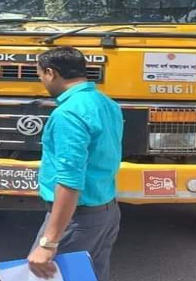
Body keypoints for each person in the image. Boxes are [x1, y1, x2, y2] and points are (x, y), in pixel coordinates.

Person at [28, 47, 124, 281]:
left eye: (40, 74)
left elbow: (70, 181)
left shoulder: (68, 113)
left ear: (51, 73)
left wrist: (48, 243)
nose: (41, 81)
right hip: (107, 212)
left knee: (43, 274)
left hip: (77, 219)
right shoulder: (106, 103)